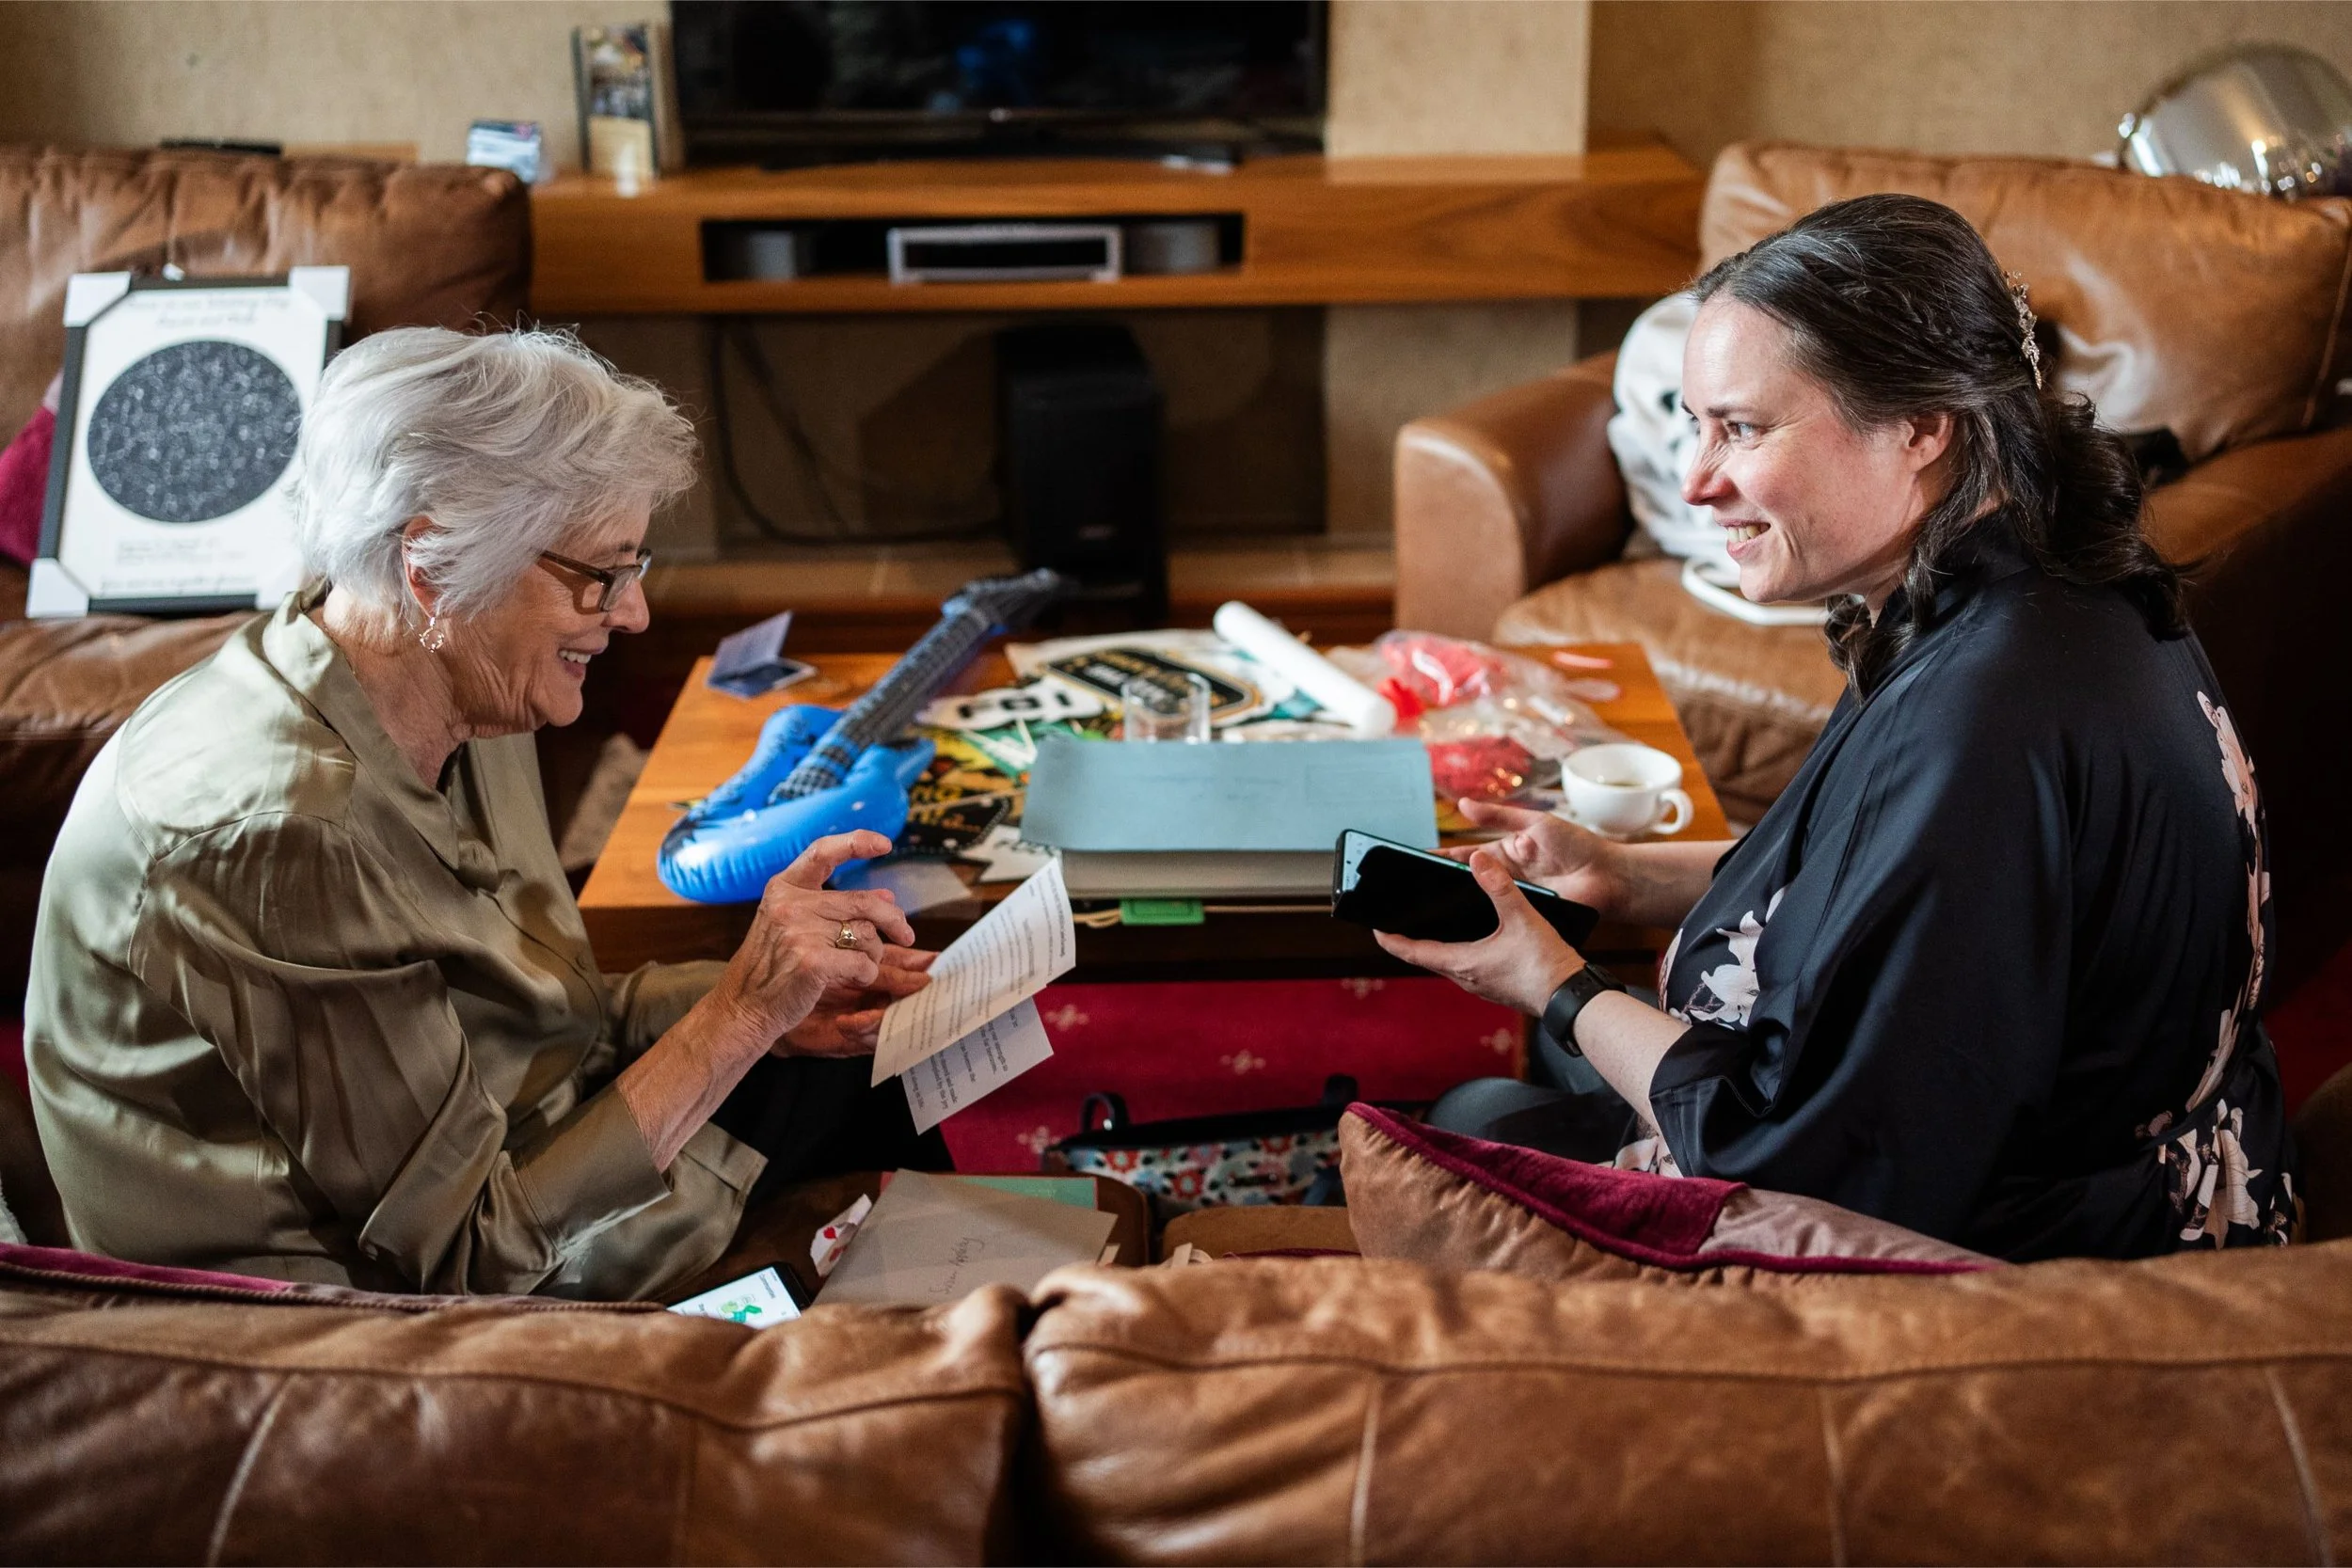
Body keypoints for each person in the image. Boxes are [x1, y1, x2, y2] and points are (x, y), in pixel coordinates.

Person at [1389, 194, 2294, 1260]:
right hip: (2137, 1151)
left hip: (2023, 1260)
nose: (1693, 480)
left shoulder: (1983, 718)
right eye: (1694, 424)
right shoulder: (2038, 589)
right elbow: (1902, 882)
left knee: (1468, 1135)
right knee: (1530, 1088)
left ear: (1917, 425)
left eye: (1742, 427)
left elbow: (1792, 1152)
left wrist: (1549, 976)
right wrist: (1631, 875)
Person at [26, 327, 942, 1298]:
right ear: (434, 567)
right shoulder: (289, 830)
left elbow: (551, 1018)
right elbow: (466, 1254)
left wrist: (775, 1002)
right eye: (602, 574)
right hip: (351, 1319)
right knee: (852, 1110)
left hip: (505, 1158)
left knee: (861, 1046)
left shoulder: (456, 677)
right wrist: (740, 1011)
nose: (630, 613)